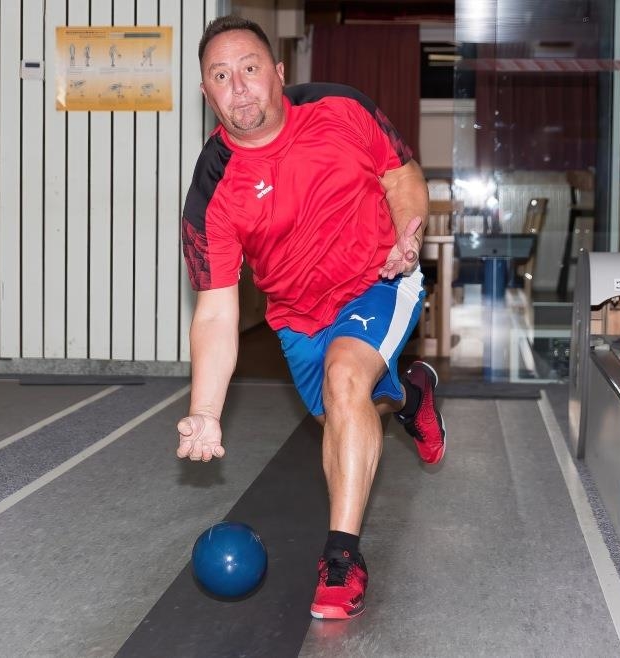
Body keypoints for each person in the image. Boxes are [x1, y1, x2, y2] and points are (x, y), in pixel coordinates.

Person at [176, 14, 446, 620]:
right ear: (206, 93)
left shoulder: (340, 109)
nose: (239, 87)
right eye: (221, 76)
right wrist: (206, 411)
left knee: (345, 379)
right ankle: (410, 397)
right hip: (297, 317)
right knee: (344, 411)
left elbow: (400, 173)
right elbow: (216, 312)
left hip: (377, 279)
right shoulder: (211, 190)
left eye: (250, 69)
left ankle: (341, 560)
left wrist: (408, 233)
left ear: (278, 72)